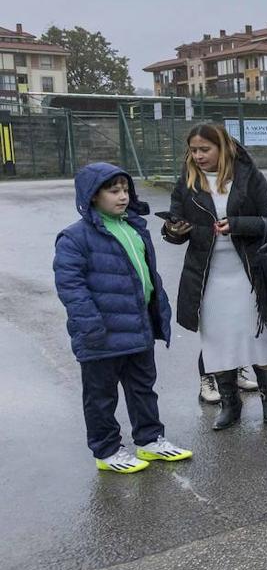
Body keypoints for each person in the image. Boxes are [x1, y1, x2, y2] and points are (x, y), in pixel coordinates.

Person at [53, 164, 192, 473]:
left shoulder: (134, 227)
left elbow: (146, 275)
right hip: (100, 333)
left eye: (125, 190)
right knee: (101, 396)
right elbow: (71, 287)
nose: (123, 197)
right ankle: (107, 450)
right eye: (113, 191)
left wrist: (158, 313)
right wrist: (90, 326)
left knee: (143, 386)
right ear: (92, 196)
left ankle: (149, 440)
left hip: (138, 326)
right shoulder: (74, 238)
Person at [162, 123, 267, 430]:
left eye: (205, 149)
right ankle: (230, 405)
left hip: (248, 273)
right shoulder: (188, 180)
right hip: (207, 277)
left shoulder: (248, 175)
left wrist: (238, 224)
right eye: (193, 150)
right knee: (216, 342)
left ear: (222, 147)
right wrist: (173, 230)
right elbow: (174, 223)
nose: (198, 156)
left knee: (257, 337)